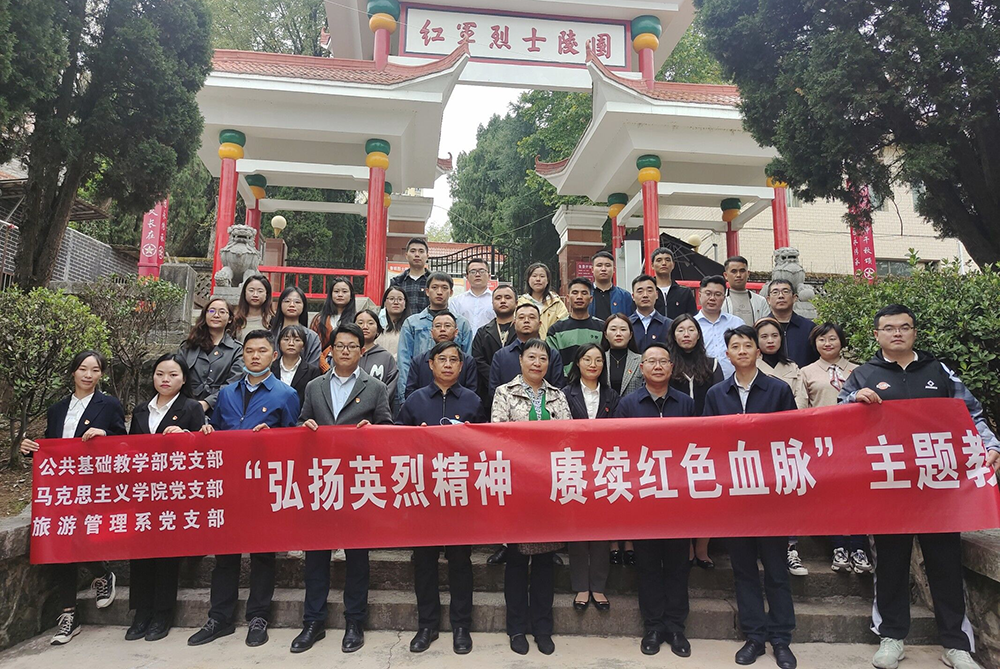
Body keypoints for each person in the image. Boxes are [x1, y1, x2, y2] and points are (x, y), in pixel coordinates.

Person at [839, 304, 999, 669]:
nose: (897, 333)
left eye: (904, 327)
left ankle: (956, 644)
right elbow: (839, 421)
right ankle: (891, 637)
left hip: (937, 487)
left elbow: (970, 414)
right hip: (889, 486)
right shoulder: (863, 375)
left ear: (914, 332)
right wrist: (853, 402)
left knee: (945, 563)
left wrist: (991, 445)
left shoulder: (938, 371)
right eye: (889, 328)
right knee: (890, 564)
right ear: (877, 334)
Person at [188, 330, 300, 648]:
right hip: (230, 483)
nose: (254, 356)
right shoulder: (226, 393)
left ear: (273, 356)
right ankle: (219, 617)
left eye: (261, 351)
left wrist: (274, 439)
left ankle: (258, 616)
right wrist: (208, 431)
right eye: (249, 351)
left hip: (264, 486)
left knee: (263, 554)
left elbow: (295, 444)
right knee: (225, 554)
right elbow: (220, 431)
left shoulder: (286, 394)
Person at [290, 323, 393, 655]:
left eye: (351, 346)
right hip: (321, 481)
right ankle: (313, 622)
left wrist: (372, 429)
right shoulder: (314, 386)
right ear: (330, 350)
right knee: (316, 556)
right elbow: (301, 422)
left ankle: (354, 622)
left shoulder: (375, 387)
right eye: (339, 346)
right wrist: (304, 426)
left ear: (362, 351)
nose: (345, 351)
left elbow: (388, 429)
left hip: (358, 483)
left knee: (357, 557)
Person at [703, 325, 798, 669]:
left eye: (748, 345)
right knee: (743, 570)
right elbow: (708, 440)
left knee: (776, 571)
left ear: (759, 351)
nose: (742, 350)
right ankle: (754, 636)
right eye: (735, 346)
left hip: (770, 495)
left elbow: (792, 436)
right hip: (735, 496)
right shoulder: (716, 394)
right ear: (726, 354)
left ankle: (781, 639)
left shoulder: (778, 389)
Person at [19, 350, 125, 646]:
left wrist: (104, 435)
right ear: (73, 371)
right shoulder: (57, 409)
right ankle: (69, 614)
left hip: (93, 485)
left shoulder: (109, 405)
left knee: (78, 539)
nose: (88, 375)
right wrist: (31, 449)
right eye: (82, 369)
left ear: (102, 374)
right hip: (61, 488)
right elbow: (51, 447)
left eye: (95, 370)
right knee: (60, 544)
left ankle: (101, 572)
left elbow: (125, 443)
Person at [396, 340, 485, 654]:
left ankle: (461, 626)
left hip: (460, 494)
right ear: (430, 364)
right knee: (424, 563)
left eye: (454, 360)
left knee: (460, 562)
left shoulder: (473, 401)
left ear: (461, 366)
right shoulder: (415, 400)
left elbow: (486, 449)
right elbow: (396, 443)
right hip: (424, 496)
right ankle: (427, 626)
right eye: (442, 359)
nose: (448, 365)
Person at [614, 343, 696, 658]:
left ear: (672, 367)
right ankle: (652, 627)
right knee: (647, 565)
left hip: (678, 497)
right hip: (643, 496)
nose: (658, 366)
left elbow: (697, 446)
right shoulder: (628, 404)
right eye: (651, 361)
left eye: (663, 361)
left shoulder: (686, 403)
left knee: (677, 565)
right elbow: (618, 448)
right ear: (642, 368)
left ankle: (675, 627)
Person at [492, 339, 571, 656]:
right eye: (532, 357)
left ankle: (542, 627)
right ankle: (516, 627)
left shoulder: (558, 395)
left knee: (544, 562)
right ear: (521, 360)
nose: (537, 363)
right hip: (517, 486)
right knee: (515, 561)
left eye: (543, 358)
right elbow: (498, 434)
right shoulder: (504, 393)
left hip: (548, 487)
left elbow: (568, 436)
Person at [125, 353, 206, 643]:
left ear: (183, 379)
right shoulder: (141, 409)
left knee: (167, 554)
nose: (165, 380)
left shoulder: (191, 408)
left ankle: (162, 613)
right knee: (140, 553)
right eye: (160, 374)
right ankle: (141, 612)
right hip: (143, 492)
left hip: (175, 493)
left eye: (173, 375)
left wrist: (185, 436)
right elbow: (130, 448)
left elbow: (204, 450)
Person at [799, 322, 869, 575]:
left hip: (855, 441)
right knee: (832, 495)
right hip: (822, 441)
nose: (827, 344)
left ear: (841, 341)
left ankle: (859, 547)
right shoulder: (805, 372)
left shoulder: (859, 370)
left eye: (832, 338)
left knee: (858, 494)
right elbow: (802, 408)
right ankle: (839, 546)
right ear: (814, 343)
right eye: (822, 339)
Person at [563, 343, 619, 614]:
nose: (593, 364)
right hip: (573, 466)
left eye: (598, 360)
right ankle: (580, 586)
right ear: (578, 363)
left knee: (601, 528)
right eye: (587, 359)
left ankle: (598, 585)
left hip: (604, 467)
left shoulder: (612, 395)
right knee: (577, 529)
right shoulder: (565, 393)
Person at [667, 314, 724, 570]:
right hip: (675, 439)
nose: (686, 334)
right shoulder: (667, 364)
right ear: (673, 335)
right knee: (681, 494)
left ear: (699, 334)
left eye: (691, 329)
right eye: (681, 330)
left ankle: (702, 547)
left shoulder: (712, 364)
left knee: (706, 494)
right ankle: (687, 545)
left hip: (707, 438)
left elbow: (720, 397)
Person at [397, 273, 473, 405]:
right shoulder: (412, 323)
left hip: (454, 394)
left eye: (444, 288)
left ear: (451, 292)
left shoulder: (462, 323)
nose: (439, 292)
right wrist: (405, 398)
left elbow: (467, 361)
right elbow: (404, 362)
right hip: (420, 391)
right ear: (427, 291)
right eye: (434, 287)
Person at [178, 298, 244, 415]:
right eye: (212, 311)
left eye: (222, 312)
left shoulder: (237, 349)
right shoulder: (189, 346)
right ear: (205, 315)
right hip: (186, 405)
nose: (216, 315)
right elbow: (176, 375)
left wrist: (208, 402)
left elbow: (234, 383)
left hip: (220, 407)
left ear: (230, 319)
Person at [488, 303, 565, 402]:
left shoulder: (552, 354)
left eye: (532, 317)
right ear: (514, 324)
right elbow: (494, 392)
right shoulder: (501, 356)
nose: (526, 321)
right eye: (521, 317)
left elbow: (558, 389)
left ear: (540, 324)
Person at [404, 310, 477, 399]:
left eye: (447, 326)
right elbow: (410, 394)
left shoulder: (467, 361)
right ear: (431, 333)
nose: (442, 329)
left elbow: (471, 394)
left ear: (456, 332)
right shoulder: (419, 361)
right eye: (438, 326)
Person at [546, 277, 604, 376]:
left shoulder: (602, 328)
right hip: (565, 383)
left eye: (584, 293)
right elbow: (553, 362)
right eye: (575, 293)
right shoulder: (556, 330)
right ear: (568, 298)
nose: (579, 297)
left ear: (591, 299)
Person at [472, 284, 517, 404]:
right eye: (498, 298)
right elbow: (478, 360)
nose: (503, 301)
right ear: (492, 304)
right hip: (488, 393)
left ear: (516, 303)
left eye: (507, 297)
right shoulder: (482, 332)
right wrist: (495, 378)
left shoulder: (523, 331)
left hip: (519, 392)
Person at [694, 275, 745, 378]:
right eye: (708, 293)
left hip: (734, 380)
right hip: (702, 380)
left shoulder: (737, 323)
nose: (712, 298)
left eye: (718, 294)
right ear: (699, 295)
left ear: (724, 298)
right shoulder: (692, 325)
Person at [754, 318, 808, 410]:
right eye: (764, 336)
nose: (770, 340)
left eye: (775, 335)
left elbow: (801, 397)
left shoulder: (792, 367)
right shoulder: (751, 367)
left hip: (791, 415)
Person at [764, 279, 818, 368]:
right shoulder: (761, 328)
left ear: (794, 298)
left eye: (785, 292)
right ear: (768, 299)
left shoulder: (809, 328)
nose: (781, 296)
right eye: (775, 292)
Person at [271, 286, 322, 366]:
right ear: (280, 304)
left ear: (303, 306)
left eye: (297, 302)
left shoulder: (312, 337)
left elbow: (313, 367)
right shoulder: (270, 335)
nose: (292, 305)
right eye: (287, 301)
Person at [272, 324, 321, 406]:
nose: (291, 343)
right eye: (286, 339)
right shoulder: (270, 368)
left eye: (297, 340)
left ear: (303, 346)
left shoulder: (312, 372)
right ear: (279, 344)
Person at [517, 262, 567, 340]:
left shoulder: (557, 303)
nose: (538, 279)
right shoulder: (520, 303)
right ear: (528, 280)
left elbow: (564, 327)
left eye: (542, 276)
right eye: (534, 276)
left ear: (547, 280)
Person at [354, 309, 398, 392]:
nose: (365, 327)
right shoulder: (346, 353)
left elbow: (390, 387)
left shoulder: (386, 357)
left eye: (370, 323)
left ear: (378, 329)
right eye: (360, 323)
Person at [602, 313, 643, 399]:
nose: (618, 334)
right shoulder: (599, 360)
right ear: (605, 334)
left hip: (632, 406)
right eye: (613, 329)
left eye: (623, 329)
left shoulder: (641, 360)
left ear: (630, 335)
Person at [449, 257, 495, 333]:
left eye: (482, 271)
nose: (477, 274)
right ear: (467, 277)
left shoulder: (496, 300)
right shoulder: (457, 301)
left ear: (489, 276)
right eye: (473, 272)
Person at [311, 277, 358, 351]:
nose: (340, 295)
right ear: (331, 295)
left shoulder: (356, 319)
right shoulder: (319, 318)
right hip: (322, 356)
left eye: (344, 291)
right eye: (336, 291)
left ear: (351, 295)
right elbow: (311, 343)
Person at [650, 248, 697, 319]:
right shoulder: (647, 292)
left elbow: (691, 319)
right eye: (659, 260)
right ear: (652, 265)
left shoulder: (685, 292)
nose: (664, 263)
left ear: (673, 265)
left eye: (667, 260)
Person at [722, 255, 769, 325]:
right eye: (734, 271)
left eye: (742, 271)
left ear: (748, 274)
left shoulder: (760, 301)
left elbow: (766, 326)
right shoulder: (720, 301)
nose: (738, 275)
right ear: (726, 275)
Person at [389, 237, 431, 314]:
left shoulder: (433, 281)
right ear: (406, 255)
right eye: (413, 251)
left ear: (427, 256)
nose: (417, 255)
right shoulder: (397, 282)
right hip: (403, 321)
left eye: (421, 251)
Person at [630, 274, 671, 351]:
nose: (645, 295)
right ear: (633, 296)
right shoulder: (627, 325)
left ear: (656, 295)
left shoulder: (669, 325)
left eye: (649, 291)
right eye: (640, 291)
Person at [589, 250, 633, 321]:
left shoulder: (625, 296)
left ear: (614, 269)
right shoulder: (586, 294)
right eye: (599, 265)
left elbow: (630, 321)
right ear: (592, 269)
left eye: (608, 265)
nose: (603, 269)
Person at [231, 275, 274, 341]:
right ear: (244, 293)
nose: (255, 295)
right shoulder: (236, 320)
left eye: (260, 291)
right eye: (251, 290)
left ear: (267, 294)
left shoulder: (273, 320)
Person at [377, 285, 410, 358]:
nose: (396, 302)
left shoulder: (410, 326)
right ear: (385, 303)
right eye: (391, 299)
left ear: (405, 303)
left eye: (400, 299)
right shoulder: (377, 325)